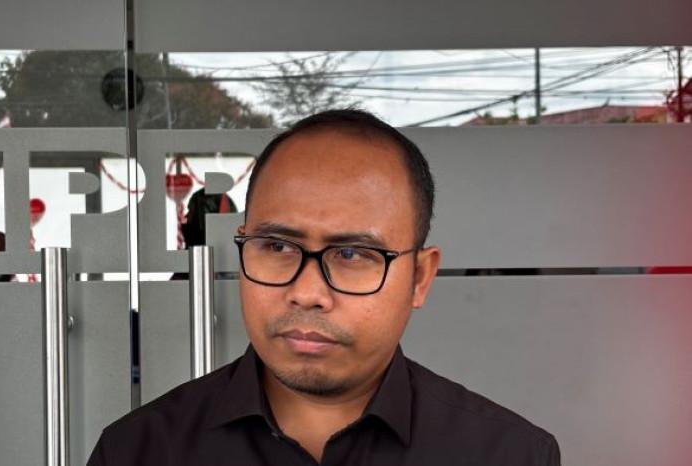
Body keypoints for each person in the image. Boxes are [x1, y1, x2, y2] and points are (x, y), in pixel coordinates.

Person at [87, 109, 561, 465]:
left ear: (419, 278)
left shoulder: (508, 455)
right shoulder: (139, 452)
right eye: (277, 246)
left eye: (352, 254)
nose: (308, 292)